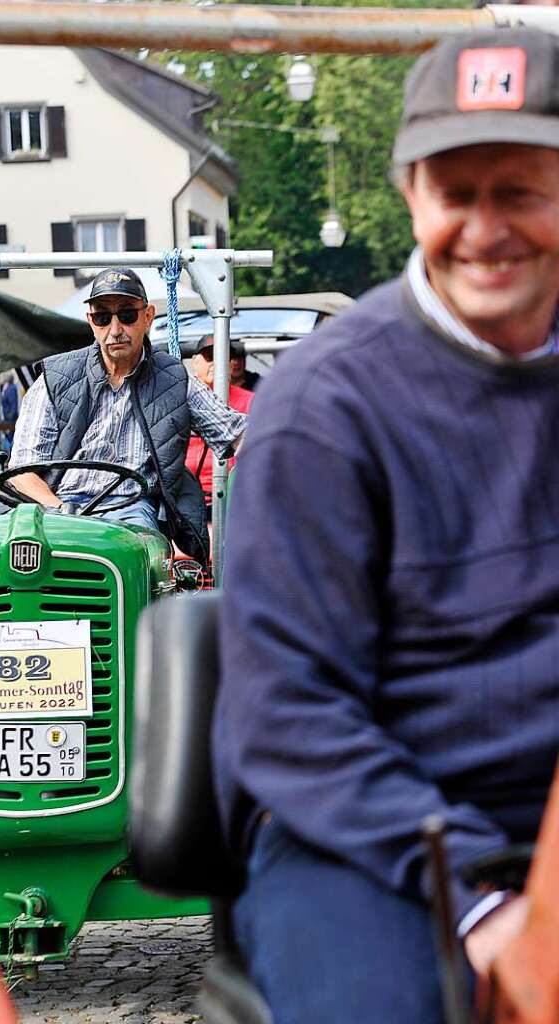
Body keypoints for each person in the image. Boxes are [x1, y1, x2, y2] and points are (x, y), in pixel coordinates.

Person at [213, 28, 559, 1024]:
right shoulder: (326, 405)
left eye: (521, 191)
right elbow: (287, 712)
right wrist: (485, 903)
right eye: (457, 194)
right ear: (412, 194)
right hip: (366, 829)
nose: (486, 229)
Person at [7, 267, 246, 563]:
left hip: (132, 509)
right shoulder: (55, 379)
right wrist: (60, 511)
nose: (115, 329)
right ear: (91, 322)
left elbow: (239, 435)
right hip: (59, 508)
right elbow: (22, 471)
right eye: (103, 317)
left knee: (140, 561)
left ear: (147, 317)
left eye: (127, 315)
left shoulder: (173, 379)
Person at [185, 335, 253, 513]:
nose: (216, 363)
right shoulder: (176, 397)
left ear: (231, 366)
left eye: (223, 358)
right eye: (210, 357)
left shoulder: (250, 401)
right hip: (184, 496)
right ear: (195, 363)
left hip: (233, 500)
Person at [0, 372, 19, 451]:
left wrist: (10, 417)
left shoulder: (11, 388)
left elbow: (13, 405)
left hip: (10, 419)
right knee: (8, 437)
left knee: (11, 437)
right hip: (7, 417)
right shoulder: (6, 388)